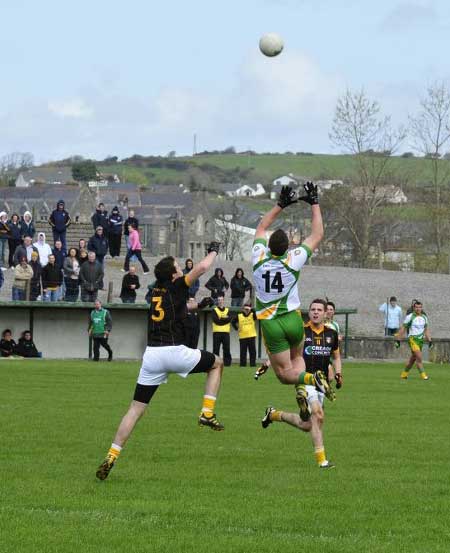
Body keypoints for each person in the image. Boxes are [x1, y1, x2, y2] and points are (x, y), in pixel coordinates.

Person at [95, 242, 224, 481]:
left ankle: (112, 455)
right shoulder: (178, 284)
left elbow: (181, 308)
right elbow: (203, 267)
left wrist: (200, 304)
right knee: (217, 363)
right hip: (173, 351)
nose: (180, 269)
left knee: (135, 409)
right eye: (177, 267)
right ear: (174, 274)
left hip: (152, 355)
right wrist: (214, 250)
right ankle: (207, 412)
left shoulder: (156, 291)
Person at [251, 183, 332, 411]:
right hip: (294, 320)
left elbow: (260, 228)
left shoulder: (258, 258)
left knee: (283, 375)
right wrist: (314, 202)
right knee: (298, 359)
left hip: (272, 324)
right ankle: (302, 391)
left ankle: (309, 380)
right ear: (288, 247)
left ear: (267, 246)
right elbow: (318, 234)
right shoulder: (293, 259)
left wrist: (280, 205)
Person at [261, 299, 343, 469]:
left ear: (326, 313)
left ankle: (274, 414)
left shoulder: (331, 334)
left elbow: (336, 357)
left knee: (307, 425)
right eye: (313, 309)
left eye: (319, 309)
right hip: (304, 378)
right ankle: (322, 461)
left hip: (322, 383)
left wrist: (338, 373)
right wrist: (268, 363)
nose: (315, 312)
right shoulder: (301, 332)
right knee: (318, 415)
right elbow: (284, 352)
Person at [395, 300, 432, 380]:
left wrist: (430, 340)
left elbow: (426, 330)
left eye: (420, 307)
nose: (418, 309)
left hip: (420, 341)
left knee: (413, 359)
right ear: (414, 308)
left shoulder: (424, 317)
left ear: (422, 308)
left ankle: (404, 374)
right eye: (416, 307)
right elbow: (403, 329)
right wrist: (398, 340)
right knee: (419, 357)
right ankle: (424, 376)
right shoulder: (410, 317)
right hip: (413, 340)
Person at [232, 303, 257, 367]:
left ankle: (253, 364)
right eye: (245, 309)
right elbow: (233, 322)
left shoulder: (252, 315)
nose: (246, 310)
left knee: (252, 352)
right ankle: (242, 365)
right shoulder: (239, 315)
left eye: (248, 309)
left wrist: (252, 309)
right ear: (243, 309)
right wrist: (236, 328)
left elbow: (256, 316)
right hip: (242, 337)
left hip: (251, 336)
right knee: (243, 352)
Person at [211, 295, 232, 367]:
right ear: (217, 301)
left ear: (223, 301)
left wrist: (221, 318)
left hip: (226, 333)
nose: (220, 301)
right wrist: (225, 318)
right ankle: (216, 363)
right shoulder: (214, 310)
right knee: (216, 349)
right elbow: (216, 321)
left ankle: (227, 364)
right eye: (219, 300)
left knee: (226, 349)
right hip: (217, 332)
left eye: (221, 300)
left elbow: (229, 319)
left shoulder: (227, 310)